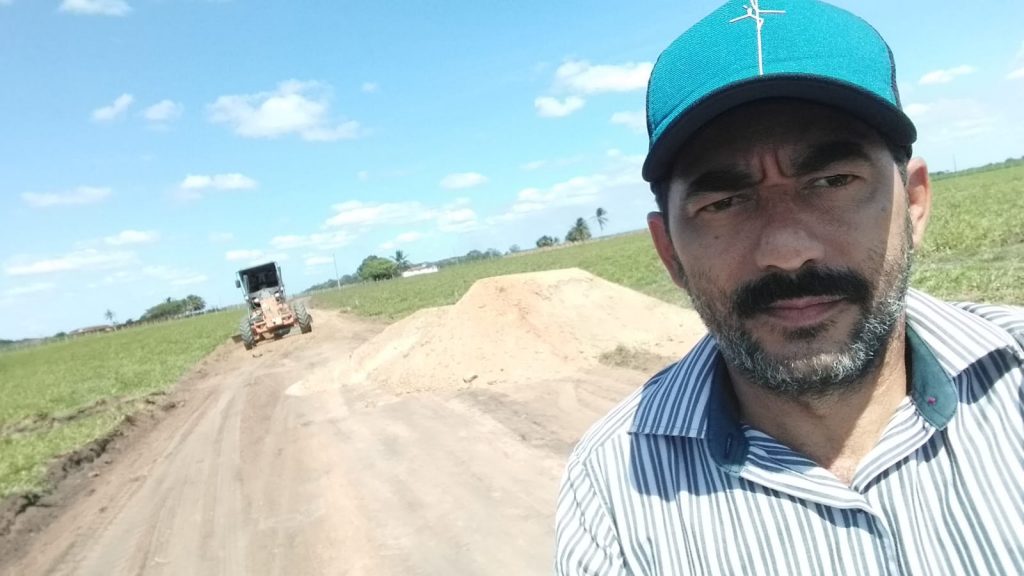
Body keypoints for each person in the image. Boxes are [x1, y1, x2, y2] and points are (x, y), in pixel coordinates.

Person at [554, 1, 1024, 574]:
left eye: (833, 180)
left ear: (915, 204)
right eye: (724, 202)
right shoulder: (611, 494)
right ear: (670, 251)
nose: (787, 249)